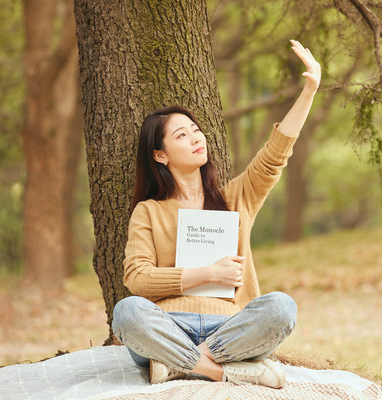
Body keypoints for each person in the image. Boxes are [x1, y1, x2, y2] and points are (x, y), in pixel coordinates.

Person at [111, 40, 321, 389]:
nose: (196, 138)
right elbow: (138, 279)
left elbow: (275, 154)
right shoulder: (148, 212)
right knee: (127, 312)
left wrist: (309, 90)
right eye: (182, 134)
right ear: (160, 155)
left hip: (229, 328)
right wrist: (207, 273)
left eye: (196, 130)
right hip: (168, 325)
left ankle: (182, 363)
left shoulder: (236, 197)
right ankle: (222, 371)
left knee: (282, 307)